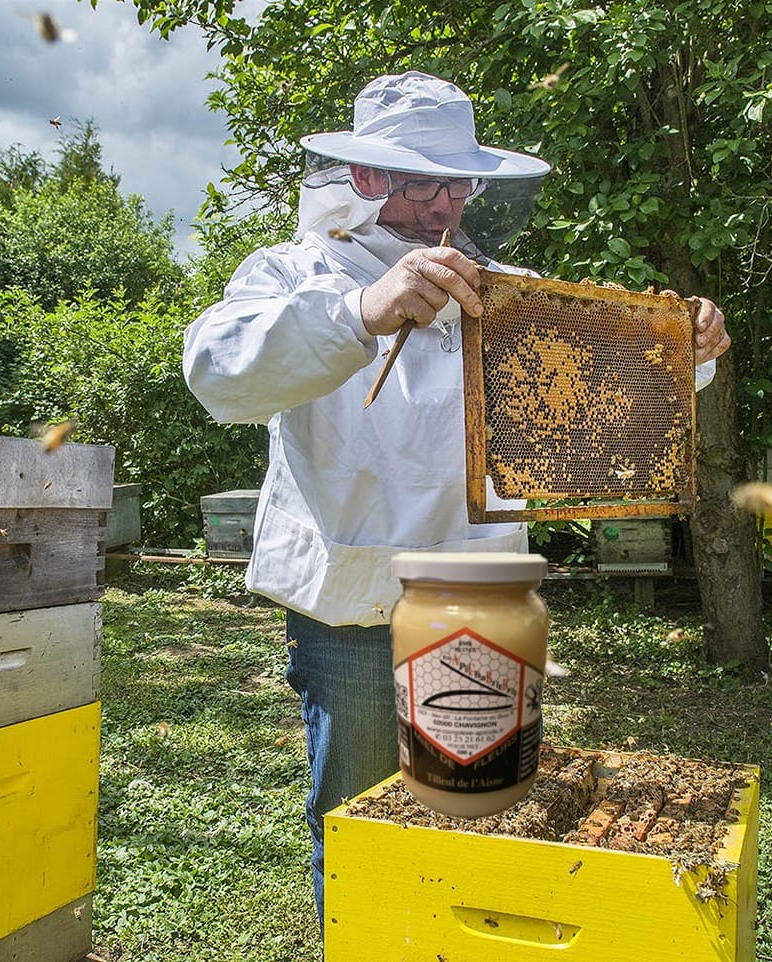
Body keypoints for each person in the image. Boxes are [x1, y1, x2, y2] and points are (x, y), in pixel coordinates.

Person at [182, 70, 730, 924]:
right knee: (362, 826)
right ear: (365, 179)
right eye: (425, 181)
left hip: (482, 599)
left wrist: (683, 349)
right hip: (354, 610)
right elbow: (217, 372)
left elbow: (600, 399)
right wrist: (362, 310)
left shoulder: (502, 286)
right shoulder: (297, 271)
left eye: (459, 182)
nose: (446, 203)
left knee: (474, 820)